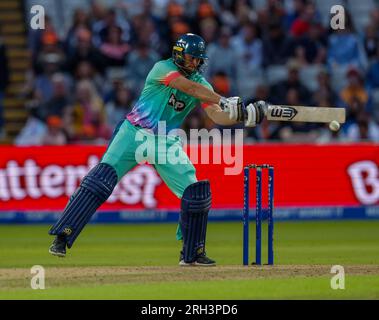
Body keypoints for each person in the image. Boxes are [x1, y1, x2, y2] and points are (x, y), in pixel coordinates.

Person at [48, 33, 266, 266]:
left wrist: (243, 117)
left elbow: (216, 115)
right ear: (179, 55)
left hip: (165, 141)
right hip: (133, 133)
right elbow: (185, 86)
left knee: (195, 193)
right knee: (100, 181)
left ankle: (192, 253)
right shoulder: (162, 68)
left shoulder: (203, 85)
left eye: (198, 60)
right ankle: (63, 235)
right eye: (192, 58)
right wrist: (223, 99)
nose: (195, 64)